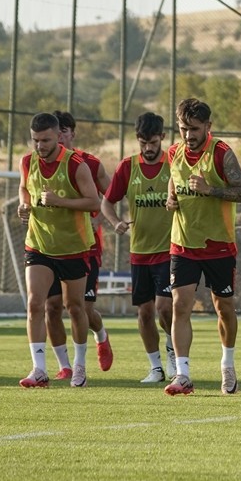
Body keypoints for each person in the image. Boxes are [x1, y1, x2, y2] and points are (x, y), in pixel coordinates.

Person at [163, 98, 241, 396]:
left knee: (223, 307)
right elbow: (174, 182)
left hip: (218, 245)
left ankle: (227, 364)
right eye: (183, 128)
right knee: (180, 305)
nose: (188, 135)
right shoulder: (173, 152)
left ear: (208, 126)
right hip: (183, 243)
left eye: (194, 129)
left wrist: (210, 190)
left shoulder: (222, 153)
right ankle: (183, 374)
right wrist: (171, 198)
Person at [16, 112, 101, 388]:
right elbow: (24, 188)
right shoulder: (27, 162)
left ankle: (79, 365)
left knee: (75, 307)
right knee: (35, 303)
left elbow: (94, 203)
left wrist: (59, 201)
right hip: (39, 244)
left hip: (73, 247)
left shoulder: (76, 165)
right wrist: (24, 204)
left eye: (45, 140)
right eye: (35, 140)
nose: (40, 146)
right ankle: (39, 369)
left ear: (58, 137)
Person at [101, 112, 175, 383]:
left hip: (170, 251)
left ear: (162, 137)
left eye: (153, 142)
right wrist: (116, 222)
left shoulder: (174, 163)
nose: (148, 148)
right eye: (143, 143)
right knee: (144, 313)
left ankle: (174, 352)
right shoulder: (127, 167)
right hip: (140, 253)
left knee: (165, 308)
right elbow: (107, 202)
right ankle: (155, 368)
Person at [44, 110, 113, 379]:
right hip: (51, 246)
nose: (59, 136)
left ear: (72, 133)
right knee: (51, 306)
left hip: (86, 247)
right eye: (56, 131)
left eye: (64, 131)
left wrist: (101, 219)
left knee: (82, 308)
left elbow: (111, 196)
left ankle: (101, 335)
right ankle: (64, 366)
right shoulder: (41, 163)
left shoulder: (89, 164)